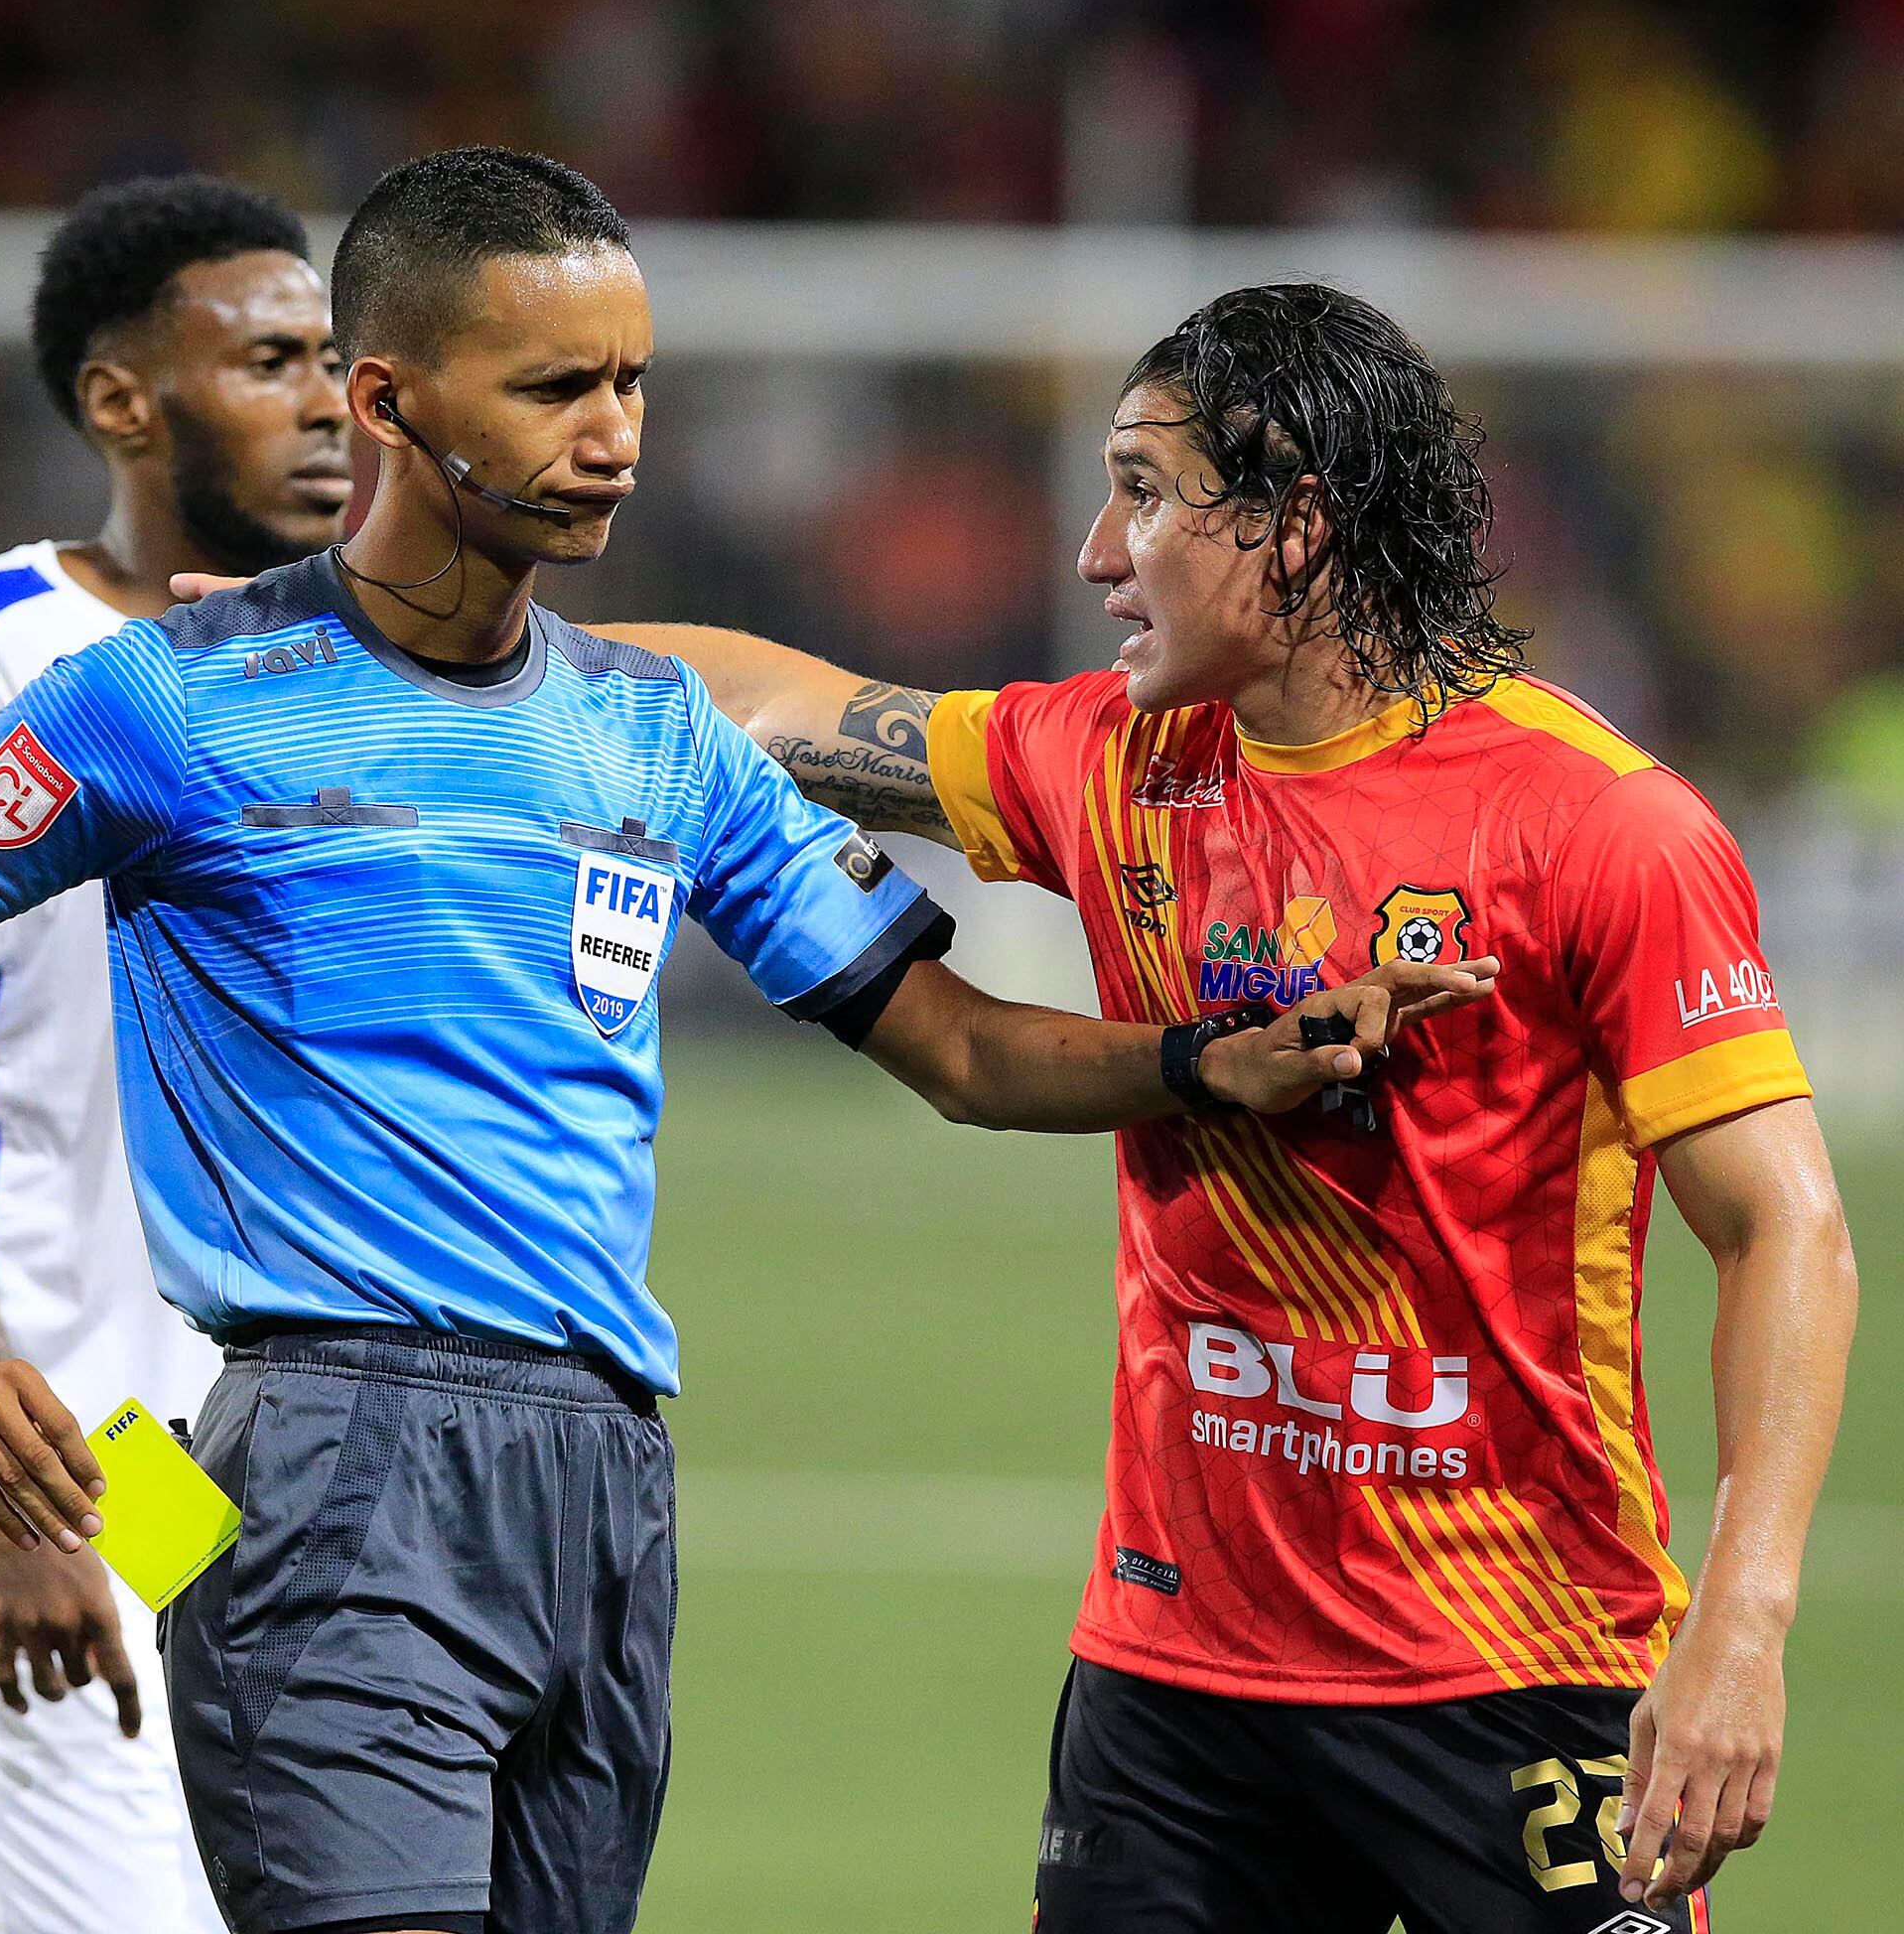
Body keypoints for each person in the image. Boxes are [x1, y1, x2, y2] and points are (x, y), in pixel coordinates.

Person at [0, 152, 1486, 1934]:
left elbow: (958, 1053)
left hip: (605, 1489)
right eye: (559, 386)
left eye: (634, 382)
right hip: (330, 1465)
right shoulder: (169, 697)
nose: (617, 435)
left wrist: (1204, 1060)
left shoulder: (657, 732)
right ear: (390, 402)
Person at [611, 283, 1856, 1932]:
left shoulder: (1601, 828)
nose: (1094, 554)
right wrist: (446, 648)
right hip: (1177, 1687)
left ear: (1296, 525)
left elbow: (1788, 1233)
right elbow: (767, 705)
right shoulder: (1116, 761)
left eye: (1143, 491)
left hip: (1520, 1665)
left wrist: (1744, 1628)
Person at [0, 173, 346, 1934]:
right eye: (270, 362)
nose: (330, 403)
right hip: (31, 1453)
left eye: (334, 359)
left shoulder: (335, 667)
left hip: (213, 1471)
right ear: (123, 400)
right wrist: (8, 1479)